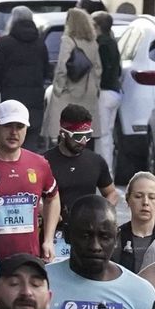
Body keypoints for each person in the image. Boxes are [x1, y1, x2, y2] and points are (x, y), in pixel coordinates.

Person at [0, 101, 59, 262]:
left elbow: (53, 197)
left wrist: (48, 240)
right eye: (8, 125)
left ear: (26, 129)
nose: (14, 132)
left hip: (29, 260)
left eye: (20, 127)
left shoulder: (39, 164)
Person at [43, 104, 115, 257]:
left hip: (88, 232)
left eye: (87, 135)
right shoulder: (44, 162)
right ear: (63, 133)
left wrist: (103, 214)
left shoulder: (96, 161)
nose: (83, 141)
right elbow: (33, 198)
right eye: (77, 136)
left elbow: (111, 193)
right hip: (54, 232)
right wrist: (44, 212)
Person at [42, 8, 100, 143]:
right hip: (89, 90)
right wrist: (95, 87)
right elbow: (98, 68)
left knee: (64, 130)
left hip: (69, 91)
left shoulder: (68, 41)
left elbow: (62, 67)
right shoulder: (93, 42)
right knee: (84, 132)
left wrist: (58, 88)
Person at [0, 7, 47, 131]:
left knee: (11, 129)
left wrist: (1, 87)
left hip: (10, 93)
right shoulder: (40, 43)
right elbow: (46, 70)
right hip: (34, 96)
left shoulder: (5, 43)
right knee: (31, 130)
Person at [92, 10, 122, 170]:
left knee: (101, 135)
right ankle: (108, 171)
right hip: (115, 92)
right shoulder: (112, 42)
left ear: (96, 26)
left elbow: (102, 71)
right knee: (108, 135)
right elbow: (118, 70)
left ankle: (103, 171)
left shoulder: (100, 44)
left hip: (103, 92)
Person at [116, 171, 155, 272]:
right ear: (128, 199)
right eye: (138, 196)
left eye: (152, 197)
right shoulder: (115, 237)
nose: (145, 202)